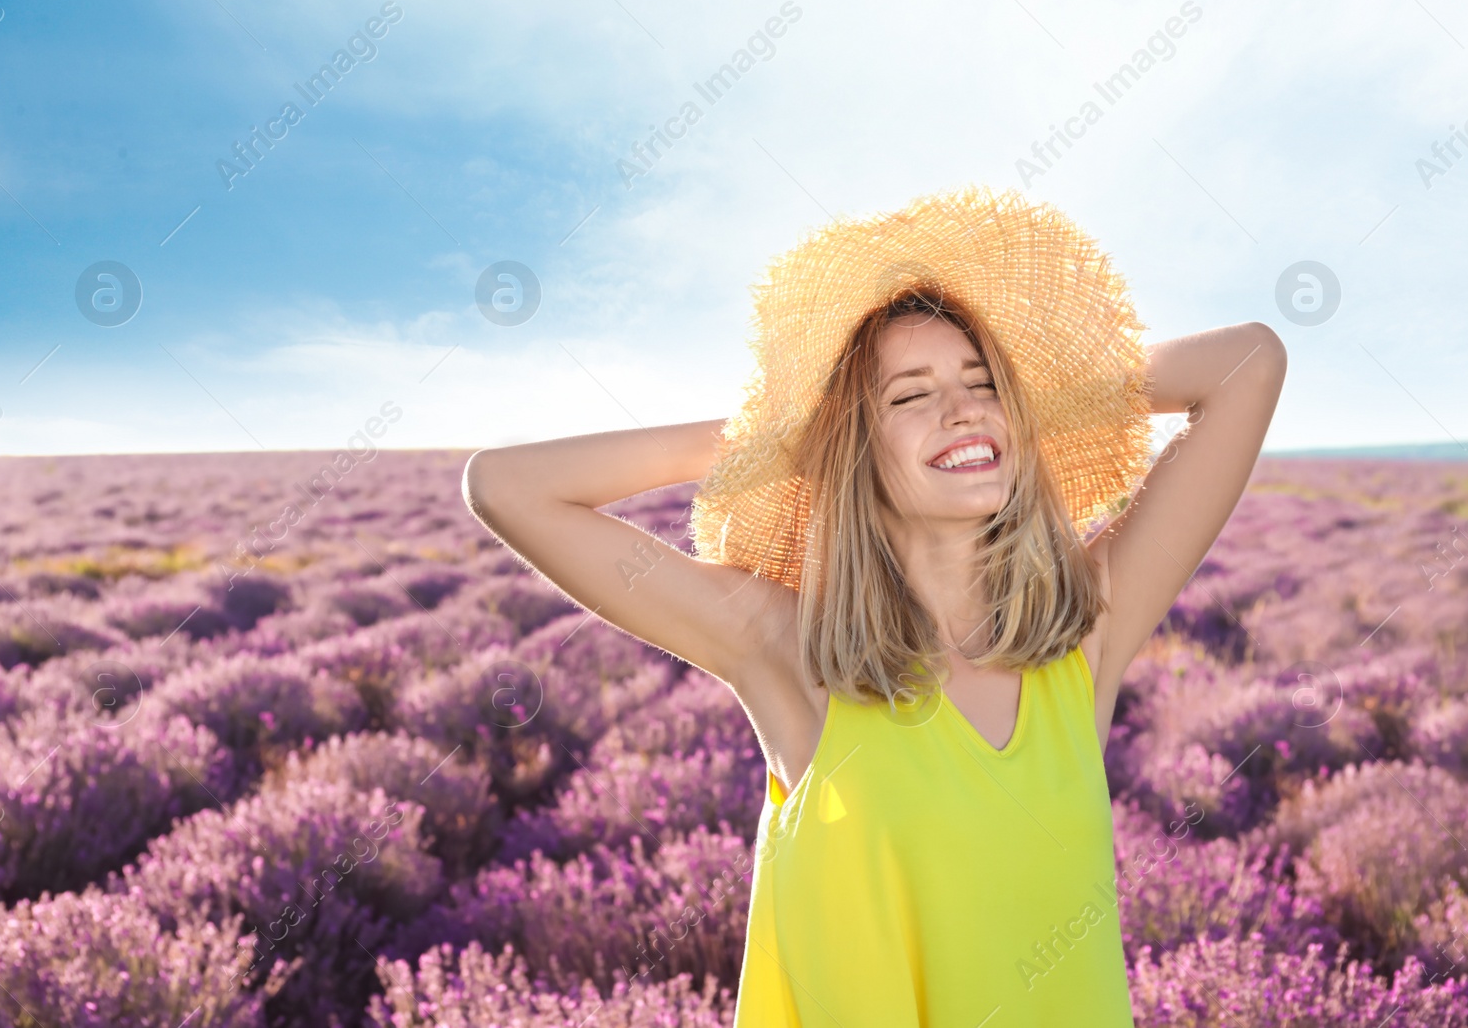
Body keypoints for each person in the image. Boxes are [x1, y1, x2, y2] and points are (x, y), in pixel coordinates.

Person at [463, 185, 1287, 1026]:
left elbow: (1247, 363)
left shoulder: (1084, 636)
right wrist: (785, 431)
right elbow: (508, 486)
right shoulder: (785, 647)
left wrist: (1028, 388)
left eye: (980, 381)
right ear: (850, 444)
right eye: (908, 395)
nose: (961, 405)